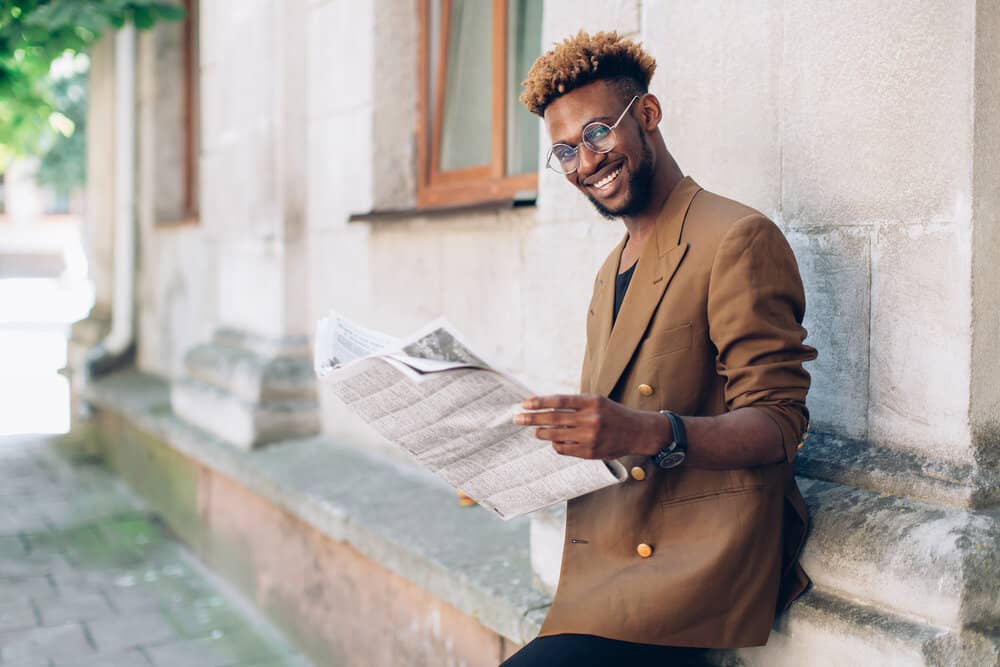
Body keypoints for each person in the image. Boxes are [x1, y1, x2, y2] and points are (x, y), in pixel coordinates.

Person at [503, 31, 818, 666]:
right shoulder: (609, 269)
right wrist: (509, 465)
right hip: (612, 551)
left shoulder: (736, 237)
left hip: (695, 562)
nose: (585, 164)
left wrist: (649, 431)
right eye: (565, 151)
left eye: (597, 134)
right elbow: (610, 427)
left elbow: (781, 423)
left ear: (646, 115)